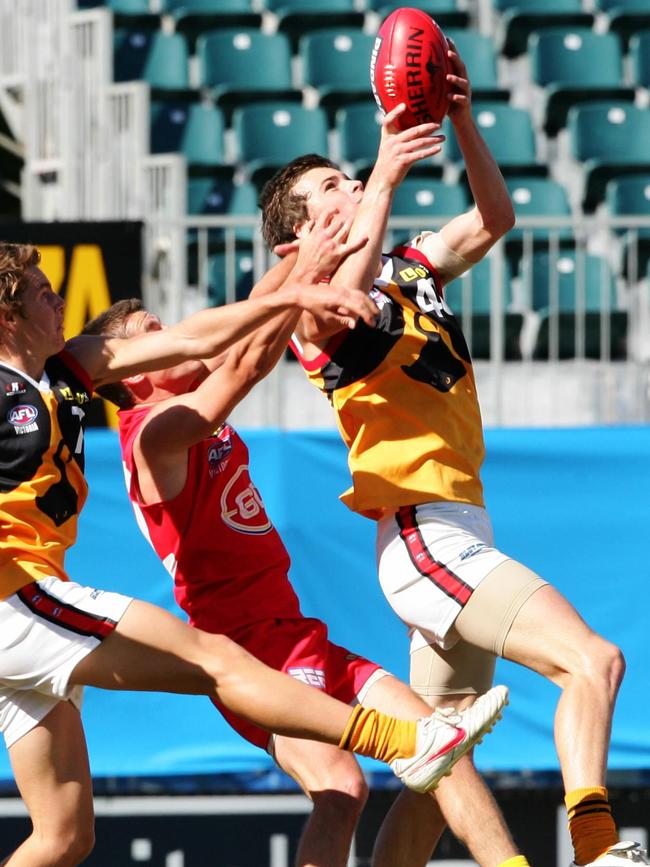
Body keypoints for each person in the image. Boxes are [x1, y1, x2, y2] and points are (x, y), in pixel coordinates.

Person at [258, 39, 648, 867]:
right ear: (298, 232)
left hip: (454, 524)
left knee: (438, 780)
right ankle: (597, 848)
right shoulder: (306, 302)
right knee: (593, 660)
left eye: (346, 174)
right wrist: (387, 178)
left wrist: (465, 120)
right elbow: (345, 301)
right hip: (422, 535)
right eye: (328, 185)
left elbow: (496, 218)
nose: (349, 182)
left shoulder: (408, 262)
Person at [0, 237, 508, 867]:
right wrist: (305, 280)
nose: (59, 301)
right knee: (230, 676)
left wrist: (305, 270)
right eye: (43, 294)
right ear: (8, 315)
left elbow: (212, 334)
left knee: (64, 837)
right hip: (20, 596)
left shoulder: (70, 370)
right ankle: (408, 741)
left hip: (272, 623)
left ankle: (439, 767)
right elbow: (242, 361)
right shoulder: (148, 431)